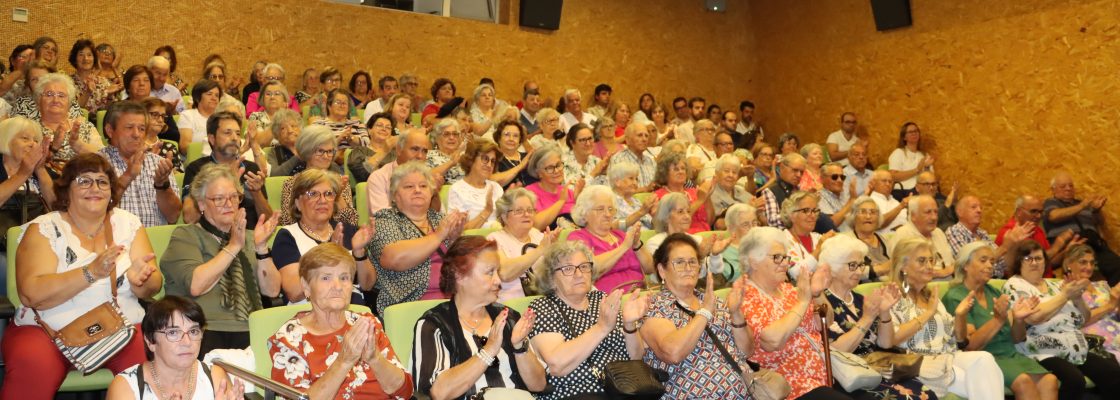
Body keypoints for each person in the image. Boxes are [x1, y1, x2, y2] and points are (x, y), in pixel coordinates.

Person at [2, 153, 161, 398]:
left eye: (102, 181)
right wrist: (91, 273)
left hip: (121, 328)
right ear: (66, 191)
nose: (94, 188)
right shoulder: (44, 228)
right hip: (46, 331)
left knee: (153, 365)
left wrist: (141, 281)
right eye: (84, 181)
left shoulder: (128, 223)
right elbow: (31, 294)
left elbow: (153, 284)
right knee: (32, 364)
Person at [161, 164, 281, 357]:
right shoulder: (186, 235)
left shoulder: (251, 237)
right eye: (218, 199)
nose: (229, 204)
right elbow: (196, 285)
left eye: (234, 197)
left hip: (253, 327)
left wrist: (261, 248)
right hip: (203, 329)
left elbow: (272, 290)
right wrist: (233, 246)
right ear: (201, 204)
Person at [266, 243, 411, 399]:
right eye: (326, 278)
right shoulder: (289, 339)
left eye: (344, 278)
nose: (338, 286)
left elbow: (405, 391)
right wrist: (344, 361)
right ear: (306, 286)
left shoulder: (367, 323)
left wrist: (375, 358)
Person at [411, 236, 547, 399]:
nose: (498, 280)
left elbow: (538, 385)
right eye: (490, 272)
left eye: (497, 271)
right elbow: (439, 393)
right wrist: (488, 351)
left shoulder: (508, 317)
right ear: (459, 276)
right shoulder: (434, 324)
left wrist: (520, 347)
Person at [818, 235, 938, 399]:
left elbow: (886, 343)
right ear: (833, 267)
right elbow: (835, 352)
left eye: (861, 265)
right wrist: (867, 318)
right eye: (852, 265)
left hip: (879, 367)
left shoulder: (860, 299)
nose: (859, 271)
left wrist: (884, 312)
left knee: (928, 394)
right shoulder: (824, 303)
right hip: (850, 375)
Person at [527, 240, 650, 399]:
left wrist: (629, 324)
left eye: (584, 266)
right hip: (576, 393)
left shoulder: (601, 299)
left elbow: (636, 357)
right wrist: (601, 328)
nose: (579, 274)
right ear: (551, 279)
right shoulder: (543, 307)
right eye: (568, 269)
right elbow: (557, 365)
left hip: (624, 389)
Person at [887, 238, 1004, 400]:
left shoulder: (930, 296)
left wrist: (960, 315)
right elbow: (891, 338)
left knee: (984, 358)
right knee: (982, 380)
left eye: (931, 260)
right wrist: (928, 313)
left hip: (948, 356)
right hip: (919, 362)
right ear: (903, 266)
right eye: (922, 261)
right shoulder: (892, 295)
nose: (929, 266)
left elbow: (959, 339)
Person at [640, 233, 754, 399]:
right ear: (662, 270)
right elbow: (673, 353)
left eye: (692, 262)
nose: (688, 267)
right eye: (679, 262)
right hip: (692, 393)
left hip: (743, 390)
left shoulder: (711, 300)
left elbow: (747, 351)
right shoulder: (654, 306)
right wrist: (704, 312)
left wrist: (736, 314)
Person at [1002, 240, 1120, 399]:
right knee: (1074, 380)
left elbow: (1083, 319)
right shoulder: (1015, 285)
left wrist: (1078, 299)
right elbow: (1034, 317)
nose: (1034, 263)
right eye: (1028, 259)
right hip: (1041, 349)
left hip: (1074, 347)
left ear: (1045, 261)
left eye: (1039, 258)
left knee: (1113, 373)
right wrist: (1065, 296)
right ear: (1018, 262)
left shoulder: (1055, 285)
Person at [941, 242, 1060, 400]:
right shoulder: (956, 296)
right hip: (986, 359)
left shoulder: (994, 292)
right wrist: (998, 319)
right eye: (983, 260)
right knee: (1024, 382)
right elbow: (970, 346)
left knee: (1050, 381)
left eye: (992, 261)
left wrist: (1018, 320)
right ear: (965, 266)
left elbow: (1017, 338)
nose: (990, 265)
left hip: (1011, 354)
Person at [369, 162, 466, 314]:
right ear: (395, 195)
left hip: (453, 302)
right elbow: (394, 258)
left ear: (431, 192)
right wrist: (439, 235)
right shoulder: (384, 220)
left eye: (423, 186)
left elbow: (463, 267)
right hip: (409, 305)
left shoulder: (439, 219)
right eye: (408, 186)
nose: (417, 190)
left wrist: (454, 239)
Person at [107, 296, 245, 400]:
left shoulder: (214, 377)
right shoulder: (126, 387)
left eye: (193, 331)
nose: (187, 342)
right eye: (173, 333)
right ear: (150, 341)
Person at [272, 169, 376, 304]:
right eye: (313, 194)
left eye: (328, 194)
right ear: (297, 203)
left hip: (352, 311)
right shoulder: (287, 236)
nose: (322, 200)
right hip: (311, 315)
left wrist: (359, 252)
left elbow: (367, 285)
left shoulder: (348, 230)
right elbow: (295, 292)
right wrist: (329, 254)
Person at [100, 101, 180, 227]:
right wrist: (128, 175)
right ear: (110, 131)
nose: (136, 134)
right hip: (114, 242)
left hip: (155, 242)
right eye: (129, 127)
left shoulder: (158, 163)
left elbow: (173, 216)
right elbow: (96, 212)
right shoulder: (96, 164)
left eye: (141, 129)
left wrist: (162, 185)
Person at [1043, 171, 1119, 285]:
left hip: (1094, 242)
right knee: (1088, 268)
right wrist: (1082, 205)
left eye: (1071, 185)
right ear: (1053, 189)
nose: (1068, 189)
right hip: (1073, 243)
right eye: (1063, 186)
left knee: (1117, 265)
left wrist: (1097, 210)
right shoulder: (1051, 203)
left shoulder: (1080, 202)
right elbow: (1054, 216)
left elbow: (1100, 222)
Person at [274, 125, 359, 226]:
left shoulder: (340, 181)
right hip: (303, 238)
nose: (326, 156)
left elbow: (352, 222)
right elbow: (287, 222)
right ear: (306, 151)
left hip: (335, 237)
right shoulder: (292, 183)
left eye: (330, 151)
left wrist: (338, 195)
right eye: (320, 151)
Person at [486, 189, 558, 301]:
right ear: (504, 216)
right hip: (511, 304)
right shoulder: (494, 239)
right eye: (519, 211)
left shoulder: (538, 235)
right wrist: (540, 250)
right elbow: (505, 273)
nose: (526, 214)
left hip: (544, 301)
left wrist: (554, 250)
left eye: (530, 210)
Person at [646, 192, 731, 281]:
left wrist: (715, 254)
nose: (687, 216)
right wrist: (699, 255)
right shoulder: (655, 243)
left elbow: (716, 272)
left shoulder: (696, 240)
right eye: (680, 212)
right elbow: (663, 276)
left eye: (688, 211)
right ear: (666, 217)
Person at [33, 72, 103, 176]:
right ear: (39, 100)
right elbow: (28, 164)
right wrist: (54, 147)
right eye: (49, 94)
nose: (55, 100)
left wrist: (77, 144)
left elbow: (103, 158)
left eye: (61, 95)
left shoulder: (84, 126)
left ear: (69, 102)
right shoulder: (30, 129)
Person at [0, 116, 54, 243]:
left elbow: (58, 208)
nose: (32, 144)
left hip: (37, 243)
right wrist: (22, 174)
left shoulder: (43, 173)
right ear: (6, 139)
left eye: (36, 140)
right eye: (25, 138)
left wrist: (40, 169)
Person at [1063, 244, 1120, 363]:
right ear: (1069, 264)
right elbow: (1075, 322)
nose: (1089, 267)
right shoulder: (1065, 290)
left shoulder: (1102, 285)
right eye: (1083, 262)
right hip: (1100, 344)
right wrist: (1110, 305)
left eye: (1092, 263)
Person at [946, 195, 1022, 279]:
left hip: (995, 281)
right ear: (959, 212)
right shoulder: (954, 232)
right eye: (973, 207)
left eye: (980, 208)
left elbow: (1003, 265)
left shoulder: (982, 233)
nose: (979, 210)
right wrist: (1004, 247)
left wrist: (1013, 244)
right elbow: (969, 266)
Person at [366, 128, 431, 215]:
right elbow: (382, 218)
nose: (420, 156)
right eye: (415, 149)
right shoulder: (379, 177)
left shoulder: (428, 177)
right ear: (399, 150)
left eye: (424, 151)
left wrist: (435, 195)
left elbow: (438, 217)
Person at [889, 195, 955, 279]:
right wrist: (939, 273)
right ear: (913, 216)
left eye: (935, 212)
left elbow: (952, 263)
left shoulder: (938, 232)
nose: (934, 217)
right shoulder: (903, 235)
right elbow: (901, 270)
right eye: (928, 212)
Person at [447, 137, 504, 229]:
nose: (489, 165)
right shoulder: (457, 189)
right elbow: (456, 231)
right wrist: (486, 211)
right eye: (485, 159)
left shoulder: (496, 187)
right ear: (471, 159)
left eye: (492, 161)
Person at [653, 152, 712, 233]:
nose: (681, 172)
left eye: (683, 168)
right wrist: (699, 201)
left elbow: (710, 222)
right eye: (676, 169)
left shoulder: (695, 192)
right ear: (665, 173)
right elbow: (669, 224)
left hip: (706, 234)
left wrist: (707, 198)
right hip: (682, 238)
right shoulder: (659, 196)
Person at [524, 144, 579, 230]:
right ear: (538, 173)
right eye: (550, 168)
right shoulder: (529, 193)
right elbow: (536, 225)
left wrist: (579, 199)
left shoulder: (568, 191)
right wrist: (561, 201)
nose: (556, 171)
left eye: (558, 165)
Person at [842, 196, 892, 282]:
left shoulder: (886, 240)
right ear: (853, 216)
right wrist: (880, 269)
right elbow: (844, 271)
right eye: (863, 212)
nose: (868, 216)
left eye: (873, 212)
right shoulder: (845, 241)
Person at [68, 39, 119, 113]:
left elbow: (109, 113)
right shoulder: (67, 82)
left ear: (94, 59)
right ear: (75, 59)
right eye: (81, 54)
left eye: (89, 55)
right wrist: (87, 92)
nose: (86, 58)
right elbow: (71, 111)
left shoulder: (103, 82)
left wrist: (109, 96)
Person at [760, 152, 805, 229]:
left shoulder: (801, 191)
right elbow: (772, 221)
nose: (799, 175)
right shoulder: (770, 191)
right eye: (795, 170)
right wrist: (798, 214)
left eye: (801, 172)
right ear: (782, 167)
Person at [888, 122, 935, 195]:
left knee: (943, 200)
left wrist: (927, 167)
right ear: (904, 137)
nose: (914, 133)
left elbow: (931, 179)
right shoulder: (898, 153)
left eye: (916, 131)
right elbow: (893, 176)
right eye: (910, 132)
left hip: (923, 191)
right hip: (904, 191)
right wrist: (917, 170)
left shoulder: (924, 155)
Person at [177, 79, 221, 155]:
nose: (214, 98)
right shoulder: (188, 116)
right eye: (209, 94)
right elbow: (184, 148)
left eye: (217, 95)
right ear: (197, 98)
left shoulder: (222, 119)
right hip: (196, 161)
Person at [607, 162, 655, 230]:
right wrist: (640, 212)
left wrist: (655, 215)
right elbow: (613, 226)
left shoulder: (636, 201)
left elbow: (651, 226)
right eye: (631, 178)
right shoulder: (610, 201)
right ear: (617, 182)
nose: (635, 183)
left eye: (636, 179)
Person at [610, 122, 657, 191]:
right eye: (640, 135)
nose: (644, 139)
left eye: (646, 136)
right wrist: (645, 189)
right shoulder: (619, 159)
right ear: (628, 140)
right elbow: (617, 190)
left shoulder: (651, 161)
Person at [140, 98, 182, 173]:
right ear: (141, 115)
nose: (160, 120)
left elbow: (180, 175)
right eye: (155, 115)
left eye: (163, 116)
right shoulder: (133, 146)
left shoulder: (170, 147)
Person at [492, 119, 532, 189]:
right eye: (507, 135)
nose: (511, 139)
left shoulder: (527, 157)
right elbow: (496, 182)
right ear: (498, 138)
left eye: (515, 136)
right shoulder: (493, 159)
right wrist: (521, 166)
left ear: (520, 140)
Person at [426, 118, 466, 186]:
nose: (451, 137)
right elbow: (426, 176)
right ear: (437, 138)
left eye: (455, 134)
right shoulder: (429, 155)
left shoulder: (465, 156)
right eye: (446, 134)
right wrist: (451, 163)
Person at [868, 170, 908, 234]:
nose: (888, 184)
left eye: (890, 182)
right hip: (885, 240)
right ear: (873, 183)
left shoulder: (895, 201)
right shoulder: (869, 201)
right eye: (884, 181)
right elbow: (878, 224)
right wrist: (900, 206)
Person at [818, 162, 856, 227]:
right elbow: (831, 224)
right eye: (834, 177)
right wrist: (851, 200)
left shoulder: (845, 194)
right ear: (822, 179)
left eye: (842, 177)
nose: (839, 180)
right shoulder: (819, 197)